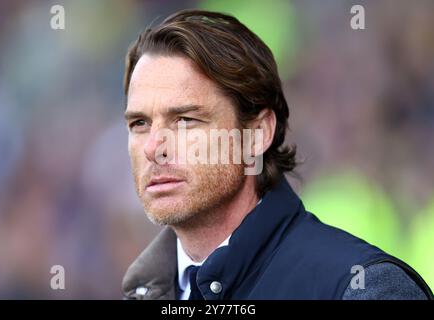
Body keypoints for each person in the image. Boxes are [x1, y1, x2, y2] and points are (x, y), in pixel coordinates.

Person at [121, 9, 432, 300]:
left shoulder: (362, 288)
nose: (153, 148)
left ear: (257, 135)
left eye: (186, 120)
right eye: (140, 123)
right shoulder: (142, 290)